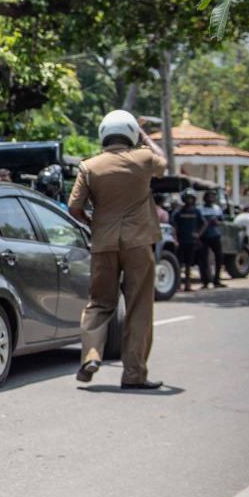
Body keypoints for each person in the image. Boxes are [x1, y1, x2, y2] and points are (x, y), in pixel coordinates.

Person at [67, 110, 165, 389]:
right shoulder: (144, 158)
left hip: (103, 243)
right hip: (138, 243)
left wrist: (92, 222)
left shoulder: (90, 166)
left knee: (99, 303)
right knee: (139, 308)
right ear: (132, 133)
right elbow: (166, 162)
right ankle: (133, 374)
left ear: (103, 134)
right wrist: (145, 137)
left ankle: (91, 356)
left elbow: (74, 207)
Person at [171, 189, 202, 291]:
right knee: (179, 264)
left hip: (191, 242)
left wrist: (198, 234)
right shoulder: (178, 212)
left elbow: (204, 223)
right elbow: (174, 226)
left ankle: (187, 285)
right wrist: (175, 239)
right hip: (181, 241)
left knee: (189, 264)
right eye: (187, 198)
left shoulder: (196, 212)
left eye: (191, 198)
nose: (189, 200)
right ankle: (178, 285)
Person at [197, 189, 227, 288]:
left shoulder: (217, 208)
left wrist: (216, 222)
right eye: (208, 196)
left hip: (215, 236)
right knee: (203, 259)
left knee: (219, 258)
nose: (210, 198)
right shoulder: (200, 209)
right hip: (204, 237)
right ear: (204, 198)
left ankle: (216, 280)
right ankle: (205, 281)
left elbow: (222, 222)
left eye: (212, 197)